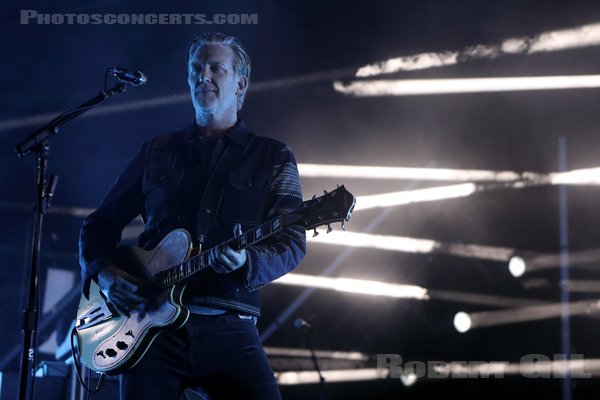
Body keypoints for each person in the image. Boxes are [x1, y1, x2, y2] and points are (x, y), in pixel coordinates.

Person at [78, 32, 306, 400]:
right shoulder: (156, 151)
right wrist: (103, 274)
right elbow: (100, 224)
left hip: (229, 327)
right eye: (196, 69)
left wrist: (248, 261)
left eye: (216, 68)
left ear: (240, 82)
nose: (204, 77)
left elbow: (293, 241)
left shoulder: (274, 157)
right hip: (151, 330)